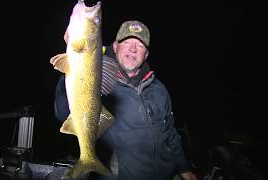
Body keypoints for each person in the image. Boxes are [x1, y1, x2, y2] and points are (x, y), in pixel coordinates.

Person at [52, 20, 198, 180]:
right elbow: (63, 112)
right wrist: (74, 63)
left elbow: (170, 132)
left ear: (146, 55)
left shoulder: (159, 89)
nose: (133, 49)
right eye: (127, 42)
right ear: (115, 46)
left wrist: (184, 168)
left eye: (140, 45)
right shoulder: (99, 82)